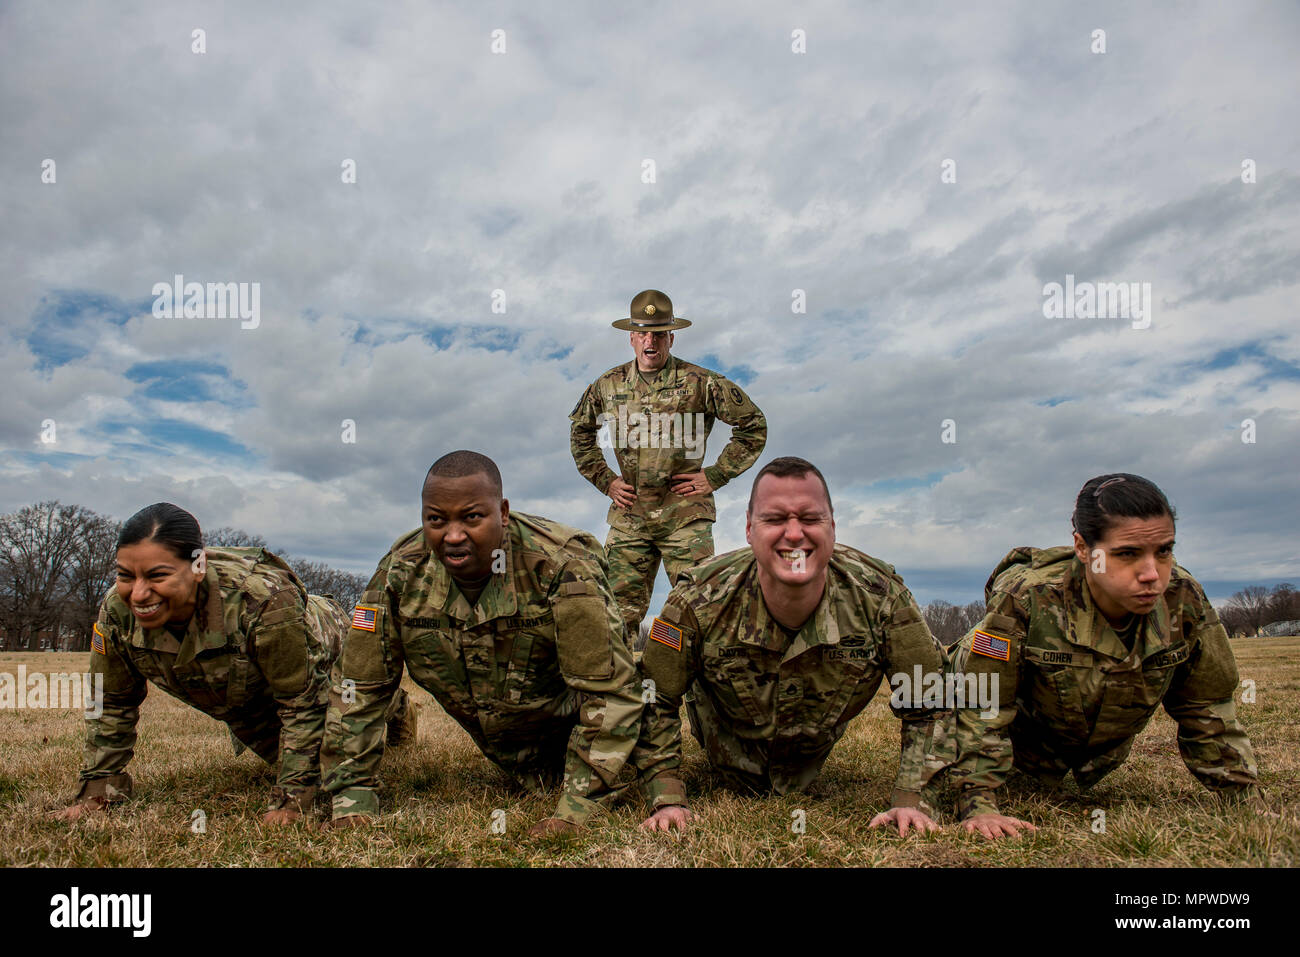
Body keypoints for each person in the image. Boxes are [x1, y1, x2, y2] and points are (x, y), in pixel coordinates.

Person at [321, 450, 644, 836]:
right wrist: (352, 796)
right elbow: (358, 688)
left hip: (579, 738)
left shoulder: (561, 565)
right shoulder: (401, 571)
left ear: (503, 512)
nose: (453, 536)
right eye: (436, 519)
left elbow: (609, 693)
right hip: (504, 750)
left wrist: (576, 808)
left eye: (472, 517)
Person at [634, 456, 949, 835]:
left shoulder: (881, 598)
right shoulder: (698, 600)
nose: (795, 534)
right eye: (775, 519)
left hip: (812, 749)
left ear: (833, 527)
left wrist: (910, 801)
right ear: (750, 529)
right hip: (726, 748)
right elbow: (655, 698)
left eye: (810, 519)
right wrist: (667, 795)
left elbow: (927, 702)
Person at [947, 473, 1266, 840]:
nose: (1151, 574)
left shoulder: (1183, 598)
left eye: (1164, 551)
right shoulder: (1029, 599)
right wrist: (978, 800)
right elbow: (982, 702)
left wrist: (1245, 798)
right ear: (1083, 549)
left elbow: (1206, 706)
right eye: (1127, 554)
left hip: (1095, 748)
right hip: (1021, 743)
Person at [52, 503, 412, 825]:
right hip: (244, 687)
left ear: (197, 566)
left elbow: (301, 703)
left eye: (157, 576)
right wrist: (97, 791)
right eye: (126, 575)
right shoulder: (117, 611)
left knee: (357, 697)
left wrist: (292, 800)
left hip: (326, 632)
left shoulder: (262, 598)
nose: (139, 593)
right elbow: (111, 702)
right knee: (280, 745)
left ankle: (399, 709)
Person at [569, 289, 767, 646]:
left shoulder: (701, 383)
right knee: (614, 617)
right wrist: (606, 481)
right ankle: (625, 699)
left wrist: (716, 475)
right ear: (631, 337)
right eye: (643, 332)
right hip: (631, 518)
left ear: (670, 337)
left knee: (700, 613)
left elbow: (752, 425)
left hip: (684, 517)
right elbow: (580, 431)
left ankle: (693, 696)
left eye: (659, 333)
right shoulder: (608, 385)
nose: (651, 340)